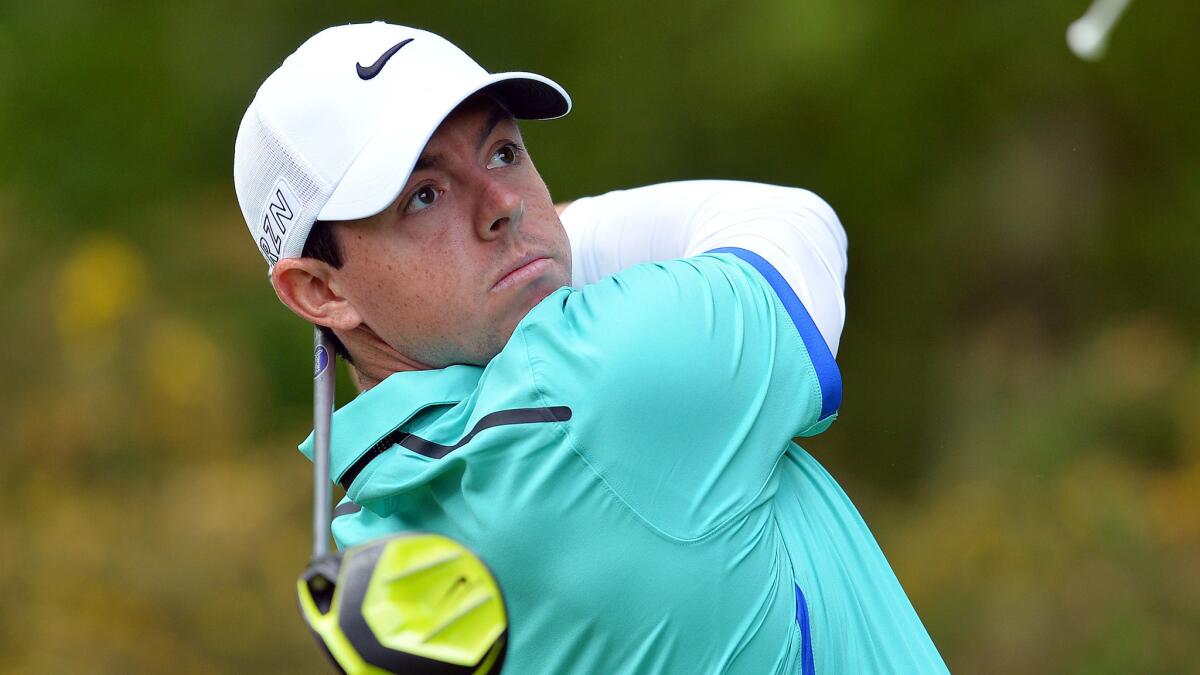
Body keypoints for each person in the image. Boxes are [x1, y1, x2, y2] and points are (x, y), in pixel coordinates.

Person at [234, 21, 948, 674]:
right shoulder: (591, 384)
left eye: (504, 152)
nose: (504, 203)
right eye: (424, 195)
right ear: (320, 293)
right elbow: (793, 223)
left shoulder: (375, 552)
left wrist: (525, 256)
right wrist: (557, 238)